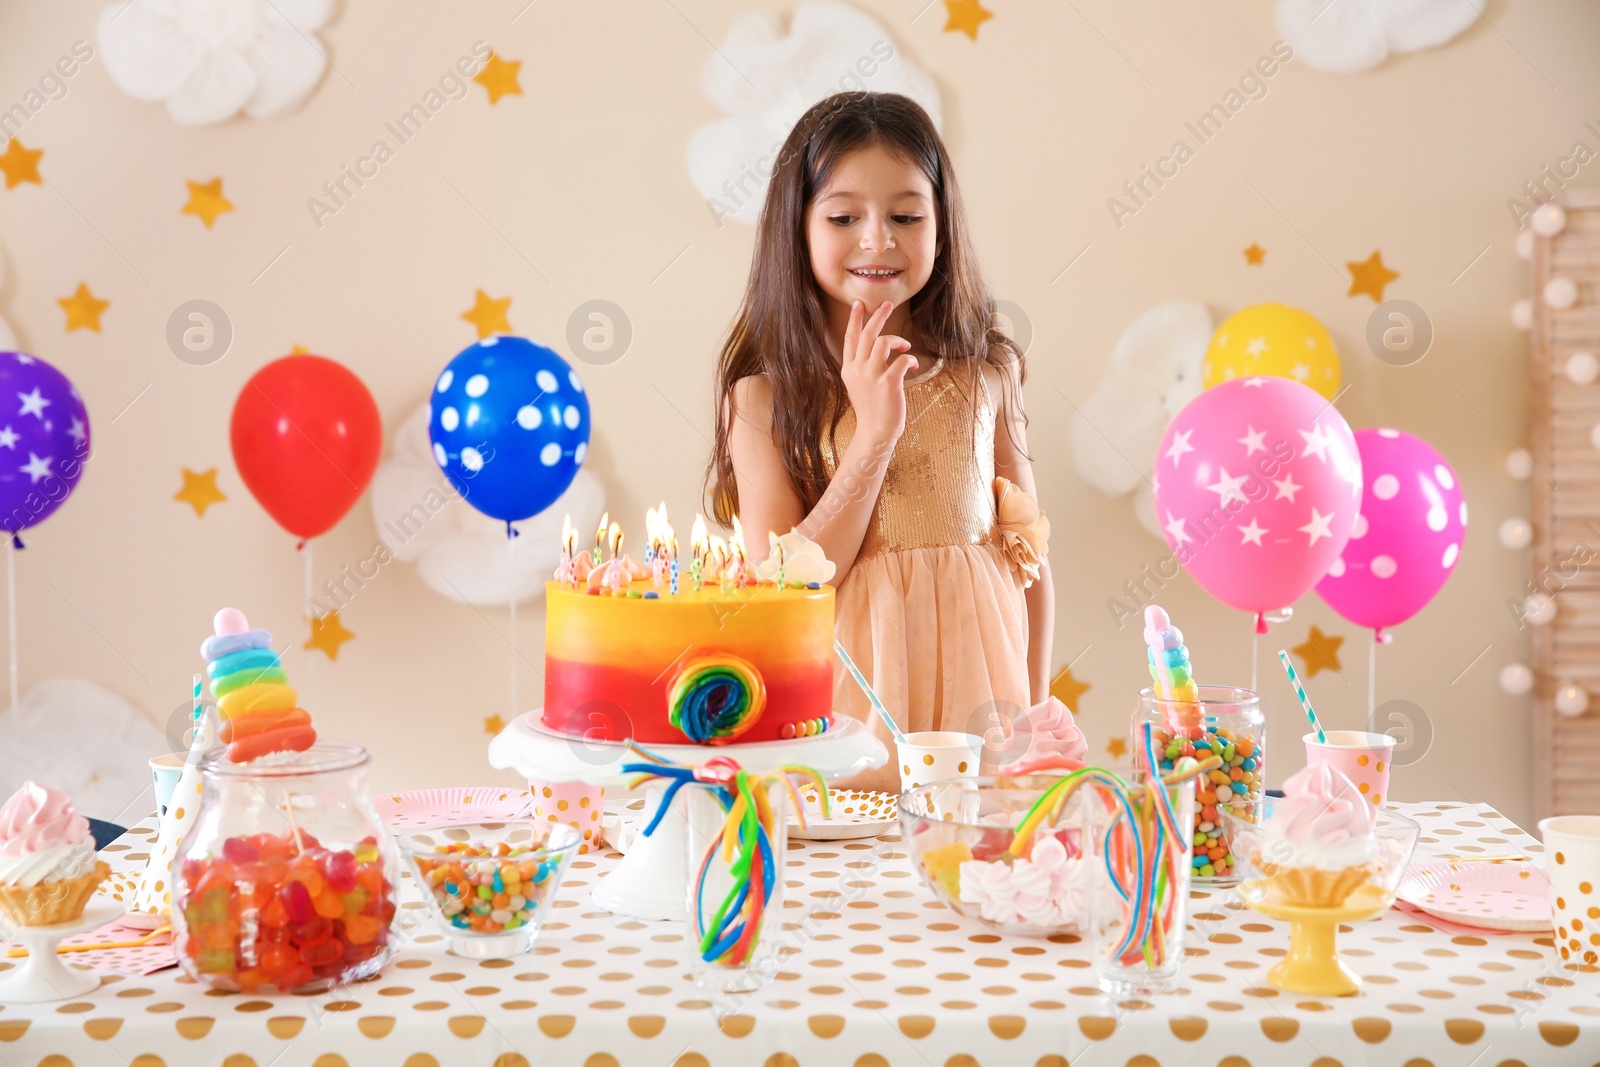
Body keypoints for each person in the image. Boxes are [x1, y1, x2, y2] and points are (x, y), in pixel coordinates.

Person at [705, 92, 1054, 792]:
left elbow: (1031, 565)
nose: (877, 238)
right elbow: (791, 588)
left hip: (983, 706)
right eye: (843, 216)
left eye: (905, 215)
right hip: (848, 708)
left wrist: (1037, 712)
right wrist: (874, 435)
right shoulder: (762, 400)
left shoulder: (987, 375)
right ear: (796, 229)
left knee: (967, 878)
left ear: (942, 227)